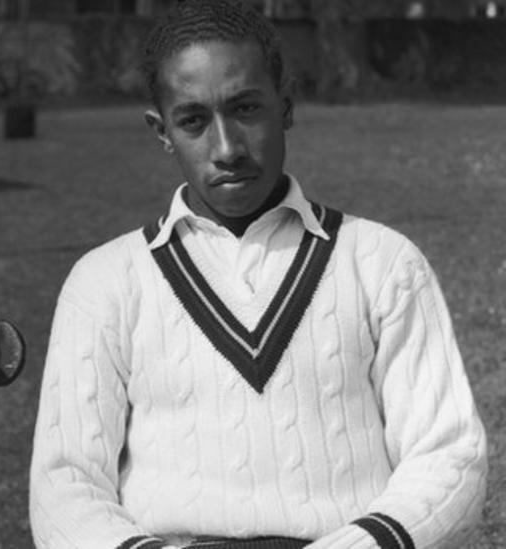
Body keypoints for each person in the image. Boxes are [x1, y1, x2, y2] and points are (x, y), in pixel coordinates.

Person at [29, 2, 487, 548]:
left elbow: (449, 454)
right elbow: (64, 484)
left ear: (286, 107)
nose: (227, 149)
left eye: (246, 109)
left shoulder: (382, 261)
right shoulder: (105, 281)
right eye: (193, 120)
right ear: (161, 131)